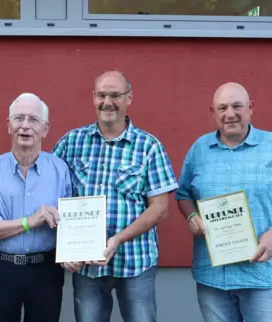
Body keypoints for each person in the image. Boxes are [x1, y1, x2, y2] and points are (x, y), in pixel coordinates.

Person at [175, 82, 272, 322]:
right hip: (213, 277)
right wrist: (191, 216)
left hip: (263, 276)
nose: (230, 114)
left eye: (237, 106)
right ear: (213, 112)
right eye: (223, 108)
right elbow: (184, 194)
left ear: (250, 108)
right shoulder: (199, 150)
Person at [52, 70, 178, 322]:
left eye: (115, 95)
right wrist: (64, 249)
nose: (107, 102)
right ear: (93, 97)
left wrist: (118, 239)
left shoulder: (148, 146)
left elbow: (160, 208)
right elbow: (51, 196)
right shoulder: (71, 142)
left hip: (135, 262)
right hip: (86, 265)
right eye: (101, 95)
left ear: (129, 98)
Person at [0, 93, 73, 322]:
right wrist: (31, 221)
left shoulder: (60, 170)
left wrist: (74, 253)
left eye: (33, 120)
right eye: (19, 118)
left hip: (45, 270)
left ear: (45, 129)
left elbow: (69, 224)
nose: (25, 126)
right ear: (9, 125)